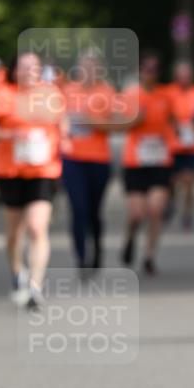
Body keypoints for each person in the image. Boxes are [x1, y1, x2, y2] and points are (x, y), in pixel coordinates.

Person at [0, 51, 66, 309]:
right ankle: (16, 273)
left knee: (36, 226)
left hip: (43, 170)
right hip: (10, 171)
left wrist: (66, 138)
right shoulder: (3, 96)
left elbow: (62, 123)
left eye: (35, 68)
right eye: (24, 67)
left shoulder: (51, 95)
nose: (30, 72)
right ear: (14, 71)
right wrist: (9, 134)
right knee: (14, 232)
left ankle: (35, 286)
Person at [61, 51, 123, 274]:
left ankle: (96, 250)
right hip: (71, 159)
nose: (88, 71)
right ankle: (80, 256)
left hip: (98, 159)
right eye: (84, 67)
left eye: (93, 67)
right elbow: (57, 120)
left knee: (93, 211)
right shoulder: (68, 91)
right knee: (78, 208)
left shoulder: (107, 92)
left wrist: (93, 122)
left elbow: (119, 125)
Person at [120, 52, 176, 275]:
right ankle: (131, 238)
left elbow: (174, 121)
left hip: (161, 159)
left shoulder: (166, 96)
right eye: (146, 69)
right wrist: (136, 118)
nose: (149, 74)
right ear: (140, 72)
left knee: (155, 210)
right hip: (135, 161)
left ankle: (150, 255)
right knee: (137, 214)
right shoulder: (131, 95)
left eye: (154, 70)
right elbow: (122, 123)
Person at [166, 60, 194, 229]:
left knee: (190, 181)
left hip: (192, 146)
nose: (184, 79)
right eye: (180, 76)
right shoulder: (168, 93)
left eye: (187, 76)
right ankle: (171, 202)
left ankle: (187, 214)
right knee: (173, 181)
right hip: (172, 145)